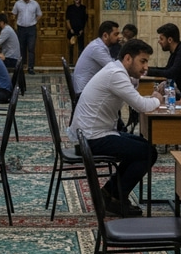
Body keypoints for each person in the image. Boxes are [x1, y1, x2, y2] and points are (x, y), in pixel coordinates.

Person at [68, 39, 161, 216]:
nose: (146, 67)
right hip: (91, 138)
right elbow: (142, 105)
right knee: (148, 152)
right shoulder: (116, 74)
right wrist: (158, 98)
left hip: (92, 133)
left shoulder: (117, 71)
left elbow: (135, 97)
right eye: (143, 61)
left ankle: (109, 193)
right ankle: (116, 199)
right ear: (128, 58)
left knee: (142, 145)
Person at [72, 21, 121, 94]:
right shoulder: (97, 48)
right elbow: (113, 68)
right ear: (105, 36)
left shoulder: (100, 45)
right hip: (83, 92)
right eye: (116, 34)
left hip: (87, 87)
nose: (119, 37)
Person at [12, 0, 42, 74]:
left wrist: (34, 21)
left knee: (31, 48)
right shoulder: (18, 4)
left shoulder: (35, 4)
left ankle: (31, 67)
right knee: (21, 48)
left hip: (31, 28)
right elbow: (14, 14)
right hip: (21, 28)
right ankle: (22, 66)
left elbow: (39, 14)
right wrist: (15, 24)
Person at [65, 0, 88, 65]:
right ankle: (71, 62)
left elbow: (85, 20)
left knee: (81, 47)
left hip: (80, 30)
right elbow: (67, 20)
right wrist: (70, 29)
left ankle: (79, 63)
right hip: (72, 30)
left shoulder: (83, 8)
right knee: (71, 47)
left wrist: (82, 29)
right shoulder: (70, 8)